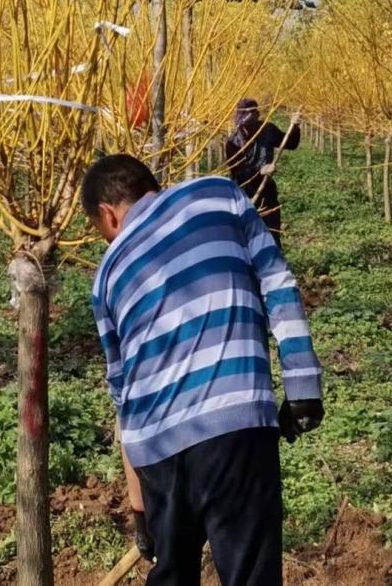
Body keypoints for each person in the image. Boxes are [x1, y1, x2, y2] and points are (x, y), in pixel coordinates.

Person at [82, 154, 323, 586]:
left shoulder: (105, 278)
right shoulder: (219, 195)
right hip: (233, 426)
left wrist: (142, 512)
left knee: (173, 576)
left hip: (156, 447)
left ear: (106, 214)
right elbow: (276, 281)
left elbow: (122, 394)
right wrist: (302, 383)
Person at [225, 99, 301, 250]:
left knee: (272, 235)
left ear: (257, 116)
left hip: (267, 192)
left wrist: (295, 127)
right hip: (242, 193)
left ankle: (273, 267)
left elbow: (290, 143)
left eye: (249, 124)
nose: (246, 129)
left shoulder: (268, 130)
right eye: (243, 125)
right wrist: (260, 170)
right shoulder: (232, 142)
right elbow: (238, 172)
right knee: (245, 239)